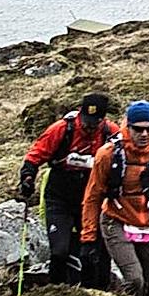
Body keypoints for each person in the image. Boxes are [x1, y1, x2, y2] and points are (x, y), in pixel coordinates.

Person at [79, 99, 149, 296]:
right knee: (135, 279)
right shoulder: (108, 154)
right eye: (138, 129)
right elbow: (92, 197)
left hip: (147, 221)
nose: (144, 134)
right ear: (128, 126)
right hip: (115, 219)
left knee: (145, 284)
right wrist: (88, 238)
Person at [21, 92, 113, 283]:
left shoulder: (109, 133)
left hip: (90, 199)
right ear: (80, 113)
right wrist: (28, 176)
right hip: (59, 197)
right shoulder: (62, 129)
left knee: (93, 252)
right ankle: (56, 291)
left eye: (94, 123)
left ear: (102, 120)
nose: (88, 127)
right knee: (59, 251)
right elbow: (35, 154)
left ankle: (93, 294)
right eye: (86, 121)